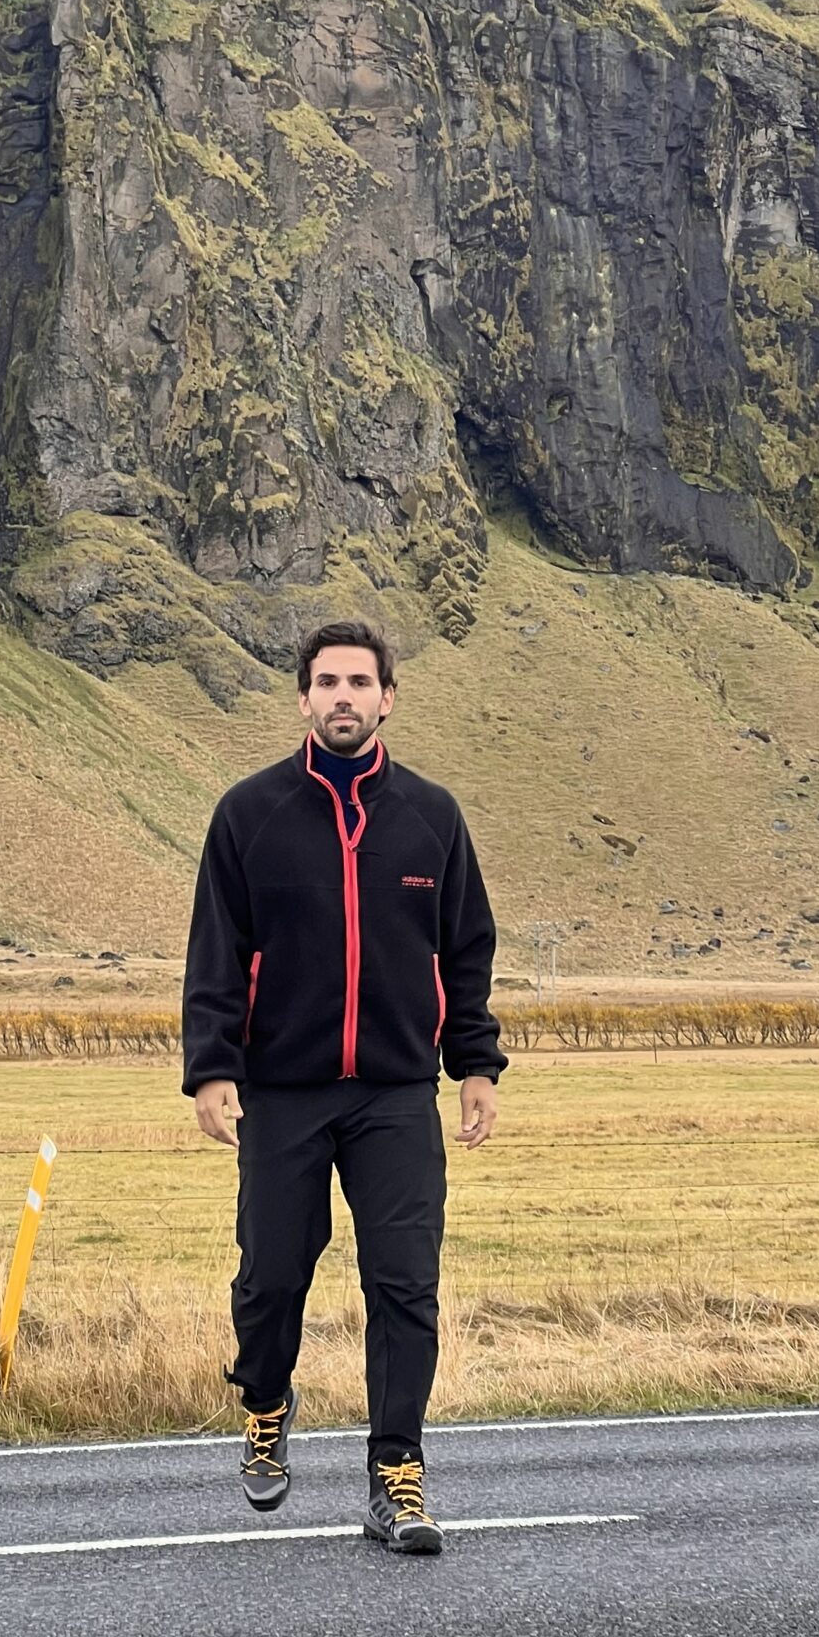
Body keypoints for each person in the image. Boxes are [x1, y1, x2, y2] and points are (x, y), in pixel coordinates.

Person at [181, 619, 504, 1555]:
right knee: (271, 1276)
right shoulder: (249, 814)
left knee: (405, 1285)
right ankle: (266, 1401)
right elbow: (216, 952)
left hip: (396, 1093)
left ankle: (396, 1475)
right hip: (282, 1090)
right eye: (327, 682)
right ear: (303, 699)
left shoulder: (432, 817)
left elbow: (466, 950)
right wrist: (212, 1068)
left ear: (387, 699)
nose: (343, 697)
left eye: (360, 682)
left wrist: (475, 1064)